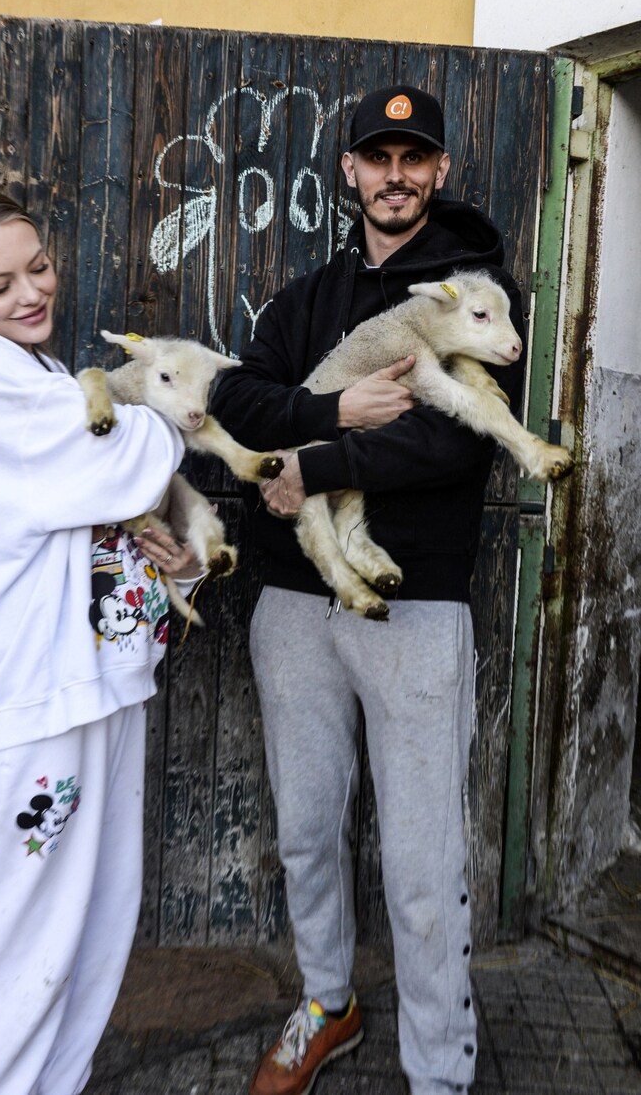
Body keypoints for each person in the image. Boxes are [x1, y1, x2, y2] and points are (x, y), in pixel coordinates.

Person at [211, 85, 527, 1095]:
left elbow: (452, 441)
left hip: (417, 603)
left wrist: (317, 462)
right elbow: (235, 399)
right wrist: (333, 407)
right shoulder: (303, 298)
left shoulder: (473, 291)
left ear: (435, 172)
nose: (393, 174)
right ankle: (327, 1001)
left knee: (423, 854)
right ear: (347, 170)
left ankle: (436, 1067)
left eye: (412, 157)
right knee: (306, 824)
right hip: (293, 601)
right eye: (374, 156)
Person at [0, 186, 201, 1095]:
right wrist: (157, 418)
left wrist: (164, 553)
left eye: (38, 268)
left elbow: (92, 503)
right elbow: (122, 455)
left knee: (95, 925)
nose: (30, 293)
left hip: (95, 680)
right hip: (36, 696)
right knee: (23, 934)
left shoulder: (39, 371)